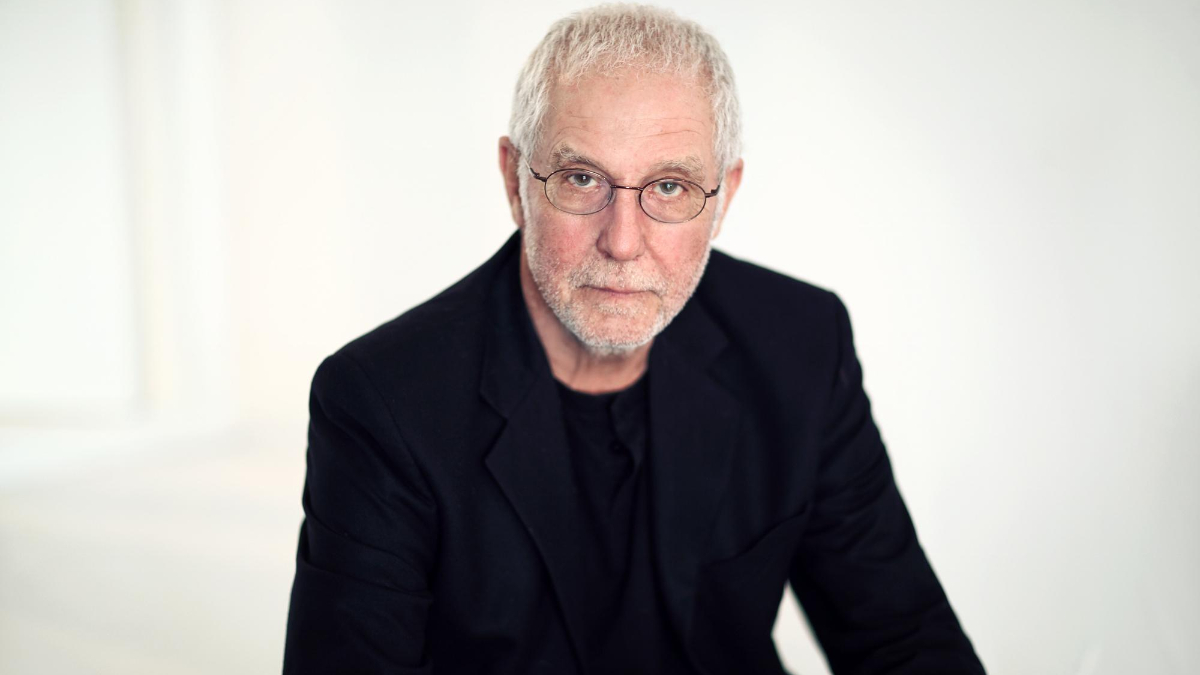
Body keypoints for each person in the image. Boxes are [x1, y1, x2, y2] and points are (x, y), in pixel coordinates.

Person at [283, 5, 985, 674]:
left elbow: (901, 637)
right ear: (514, 181)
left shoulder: (799, 344)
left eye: (670, 187)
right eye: (581, 178)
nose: (622, 242)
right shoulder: (382, 402)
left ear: (724, 198)